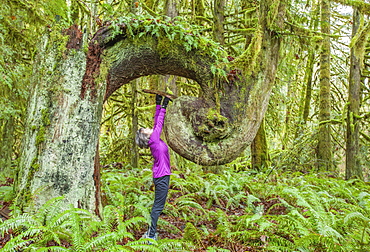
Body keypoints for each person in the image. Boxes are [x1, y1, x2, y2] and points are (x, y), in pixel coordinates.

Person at [135, 94, 172, 242]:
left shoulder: (154, 140)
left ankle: (151, 231)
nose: (149, 128)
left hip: (160, 175)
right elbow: (159, 124)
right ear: (145, 135)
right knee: (158, 207)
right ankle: (151, 234)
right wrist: (164, 107)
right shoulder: (154, 139)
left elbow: (156, 122)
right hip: (162, 177)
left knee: (158, 206)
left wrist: (158, 104)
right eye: (145, 129)